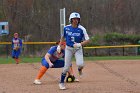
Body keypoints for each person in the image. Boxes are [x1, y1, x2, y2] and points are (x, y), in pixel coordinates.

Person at [57, 12, 90, 90]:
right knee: (66, 67)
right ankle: (61, 83)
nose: (75, 20)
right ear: (70, 20)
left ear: (79, 20)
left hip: (78, 49)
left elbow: (88, 40)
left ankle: (79, 70)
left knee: (80, 64)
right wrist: (59, 45)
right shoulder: (66, 28)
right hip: (68, 48)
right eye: (74, 19)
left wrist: (80, 44)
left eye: (77, 19)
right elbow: (62, 37)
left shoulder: (82, 29)